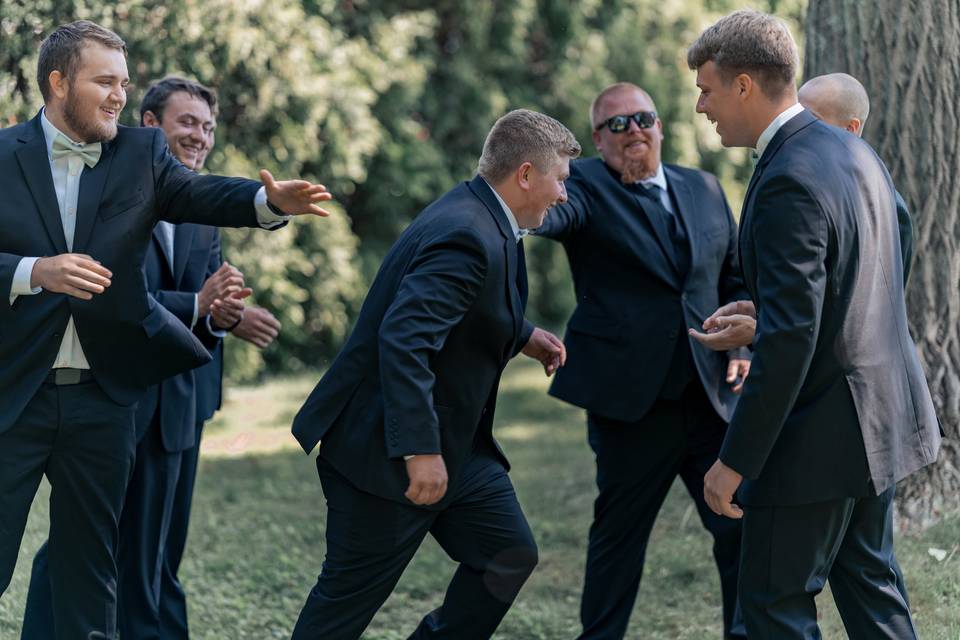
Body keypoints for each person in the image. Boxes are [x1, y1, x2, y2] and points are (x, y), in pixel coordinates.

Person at [0, 20, 330, 638]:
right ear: (57, 81)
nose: (120, 96)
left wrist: (269, 204)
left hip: (104, 402)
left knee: (88, 574)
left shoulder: (141, 154)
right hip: (13, 394)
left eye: (124, 83)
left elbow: (203, 196)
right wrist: (33, 271)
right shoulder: (0, 155)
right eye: (105, 82)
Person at [686, 10, 941, 638]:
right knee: (873, 594)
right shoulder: (851, 150)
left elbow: (796, 339)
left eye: (707, 88)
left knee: (774, 612)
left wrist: (734, 460)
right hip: (877, 425)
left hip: (818, 438)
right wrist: (764, 313)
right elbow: (858, 286)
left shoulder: (787, 178)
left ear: (744, 85)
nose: (701, 107)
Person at [288, 109, 576, 639]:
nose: (564, 195)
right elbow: (405, 340)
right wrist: (419, 451)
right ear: (527, 174)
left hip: (459, 447)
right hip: (386, 451)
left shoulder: (487, 215)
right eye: (561, 179)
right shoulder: (467, 233)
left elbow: (466, 306)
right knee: (343, 607)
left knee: (508, 555)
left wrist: (524, 334)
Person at [532, 82, 750, 640]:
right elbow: (546, 216)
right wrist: (522, 197)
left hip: (711, 402)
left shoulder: (702, 187)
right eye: (616, 125)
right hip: (630, 405)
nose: (633, 132)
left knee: (739, 532)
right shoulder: (580, 188)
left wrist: (743, 346)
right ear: (597, 142)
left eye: (642, 118)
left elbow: (732, 277)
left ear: (660, 125)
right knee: (618, 541)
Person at [798, 72, 914, 284]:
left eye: (810, 120)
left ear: (850, 128)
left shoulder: (891, 210)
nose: (796, 129)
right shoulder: (796, 187)